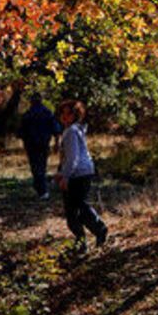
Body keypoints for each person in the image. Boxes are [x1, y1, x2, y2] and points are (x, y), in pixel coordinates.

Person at [56, 99, 108, 251]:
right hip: (80, 172)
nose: (65, 117)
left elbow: (73, 157)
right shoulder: (73, 130)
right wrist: (61, 172)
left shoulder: (72, 131)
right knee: (74, 209)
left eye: (69, 113)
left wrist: (66, 176)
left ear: (76, 115)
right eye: (62, 113)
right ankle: (82, 242)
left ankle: (98, 230)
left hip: (79, 174)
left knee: (76, 208)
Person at [19, 94, 62, 201]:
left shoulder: (28, 114)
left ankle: (41, 189)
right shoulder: (47, 113)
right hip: (43, 144)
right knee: (41, 166)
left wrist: (25, 142)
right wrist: (57, 144)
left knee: (35, 167)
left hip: (31, 145)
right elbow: (56, 130)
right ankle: (41, 189)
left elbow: (21, 132)